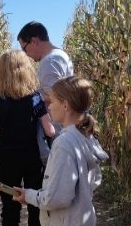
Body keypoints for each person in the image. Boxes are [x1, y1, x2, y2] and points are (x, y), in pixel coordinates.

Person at [12, 76, 109, 226]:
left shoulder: (64, 144)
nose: (48, 107)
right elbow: (95, 180)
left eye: (52, 102)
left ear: (65, 105)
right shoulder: (87, 136)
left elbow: (56, 198)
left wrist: (29, 195)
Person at [0, 50, 55, 226]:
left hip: (7, 158)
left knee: (9, 209)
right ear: (26, 69)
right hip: (32, 158)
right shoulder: (35, 97)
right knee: (36, 206)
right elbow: (50, 131)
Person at [18, 21, 73, 135]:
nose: (25, 54)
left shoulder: (49, 61)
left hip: (57, 129)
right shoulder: (60, 55)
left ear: (34, 41)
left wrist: (29, 96)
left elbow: (57, 97)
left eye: (24, 48)